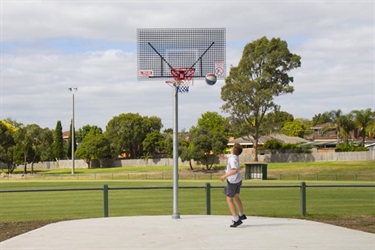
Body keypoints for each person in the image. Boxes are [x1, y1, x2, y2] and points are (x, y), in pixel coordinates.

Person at [220, 143, 247, 227]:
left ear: (233, 150)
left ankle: (236, 219)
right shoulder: (234, 156)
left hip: (232, 181)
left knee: (229, 199)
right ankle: (241, 214)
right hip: (238, 180)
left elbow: (234, 170)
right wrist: (223, 156)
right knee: (236, 197)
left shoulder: (232, 160)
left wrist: (225, 176)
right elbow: (229, 156)